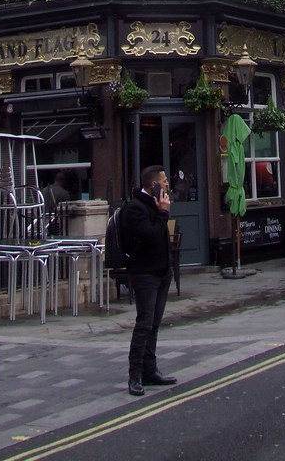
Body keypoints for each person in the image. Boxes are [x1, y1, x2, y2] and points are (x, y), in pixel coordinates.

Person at [120, 165, 177, 397]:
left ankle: (150, 371)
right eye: (164, 182)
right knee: (144, 324)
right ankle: (134, 376)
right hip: (145, 274)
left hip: (162, 271)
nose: (167, 186)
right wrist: (163, 213)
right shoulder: (135, 208)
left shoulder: (153, 204)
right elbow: (150, 236)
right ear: (153, 185)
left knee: (154, 324)